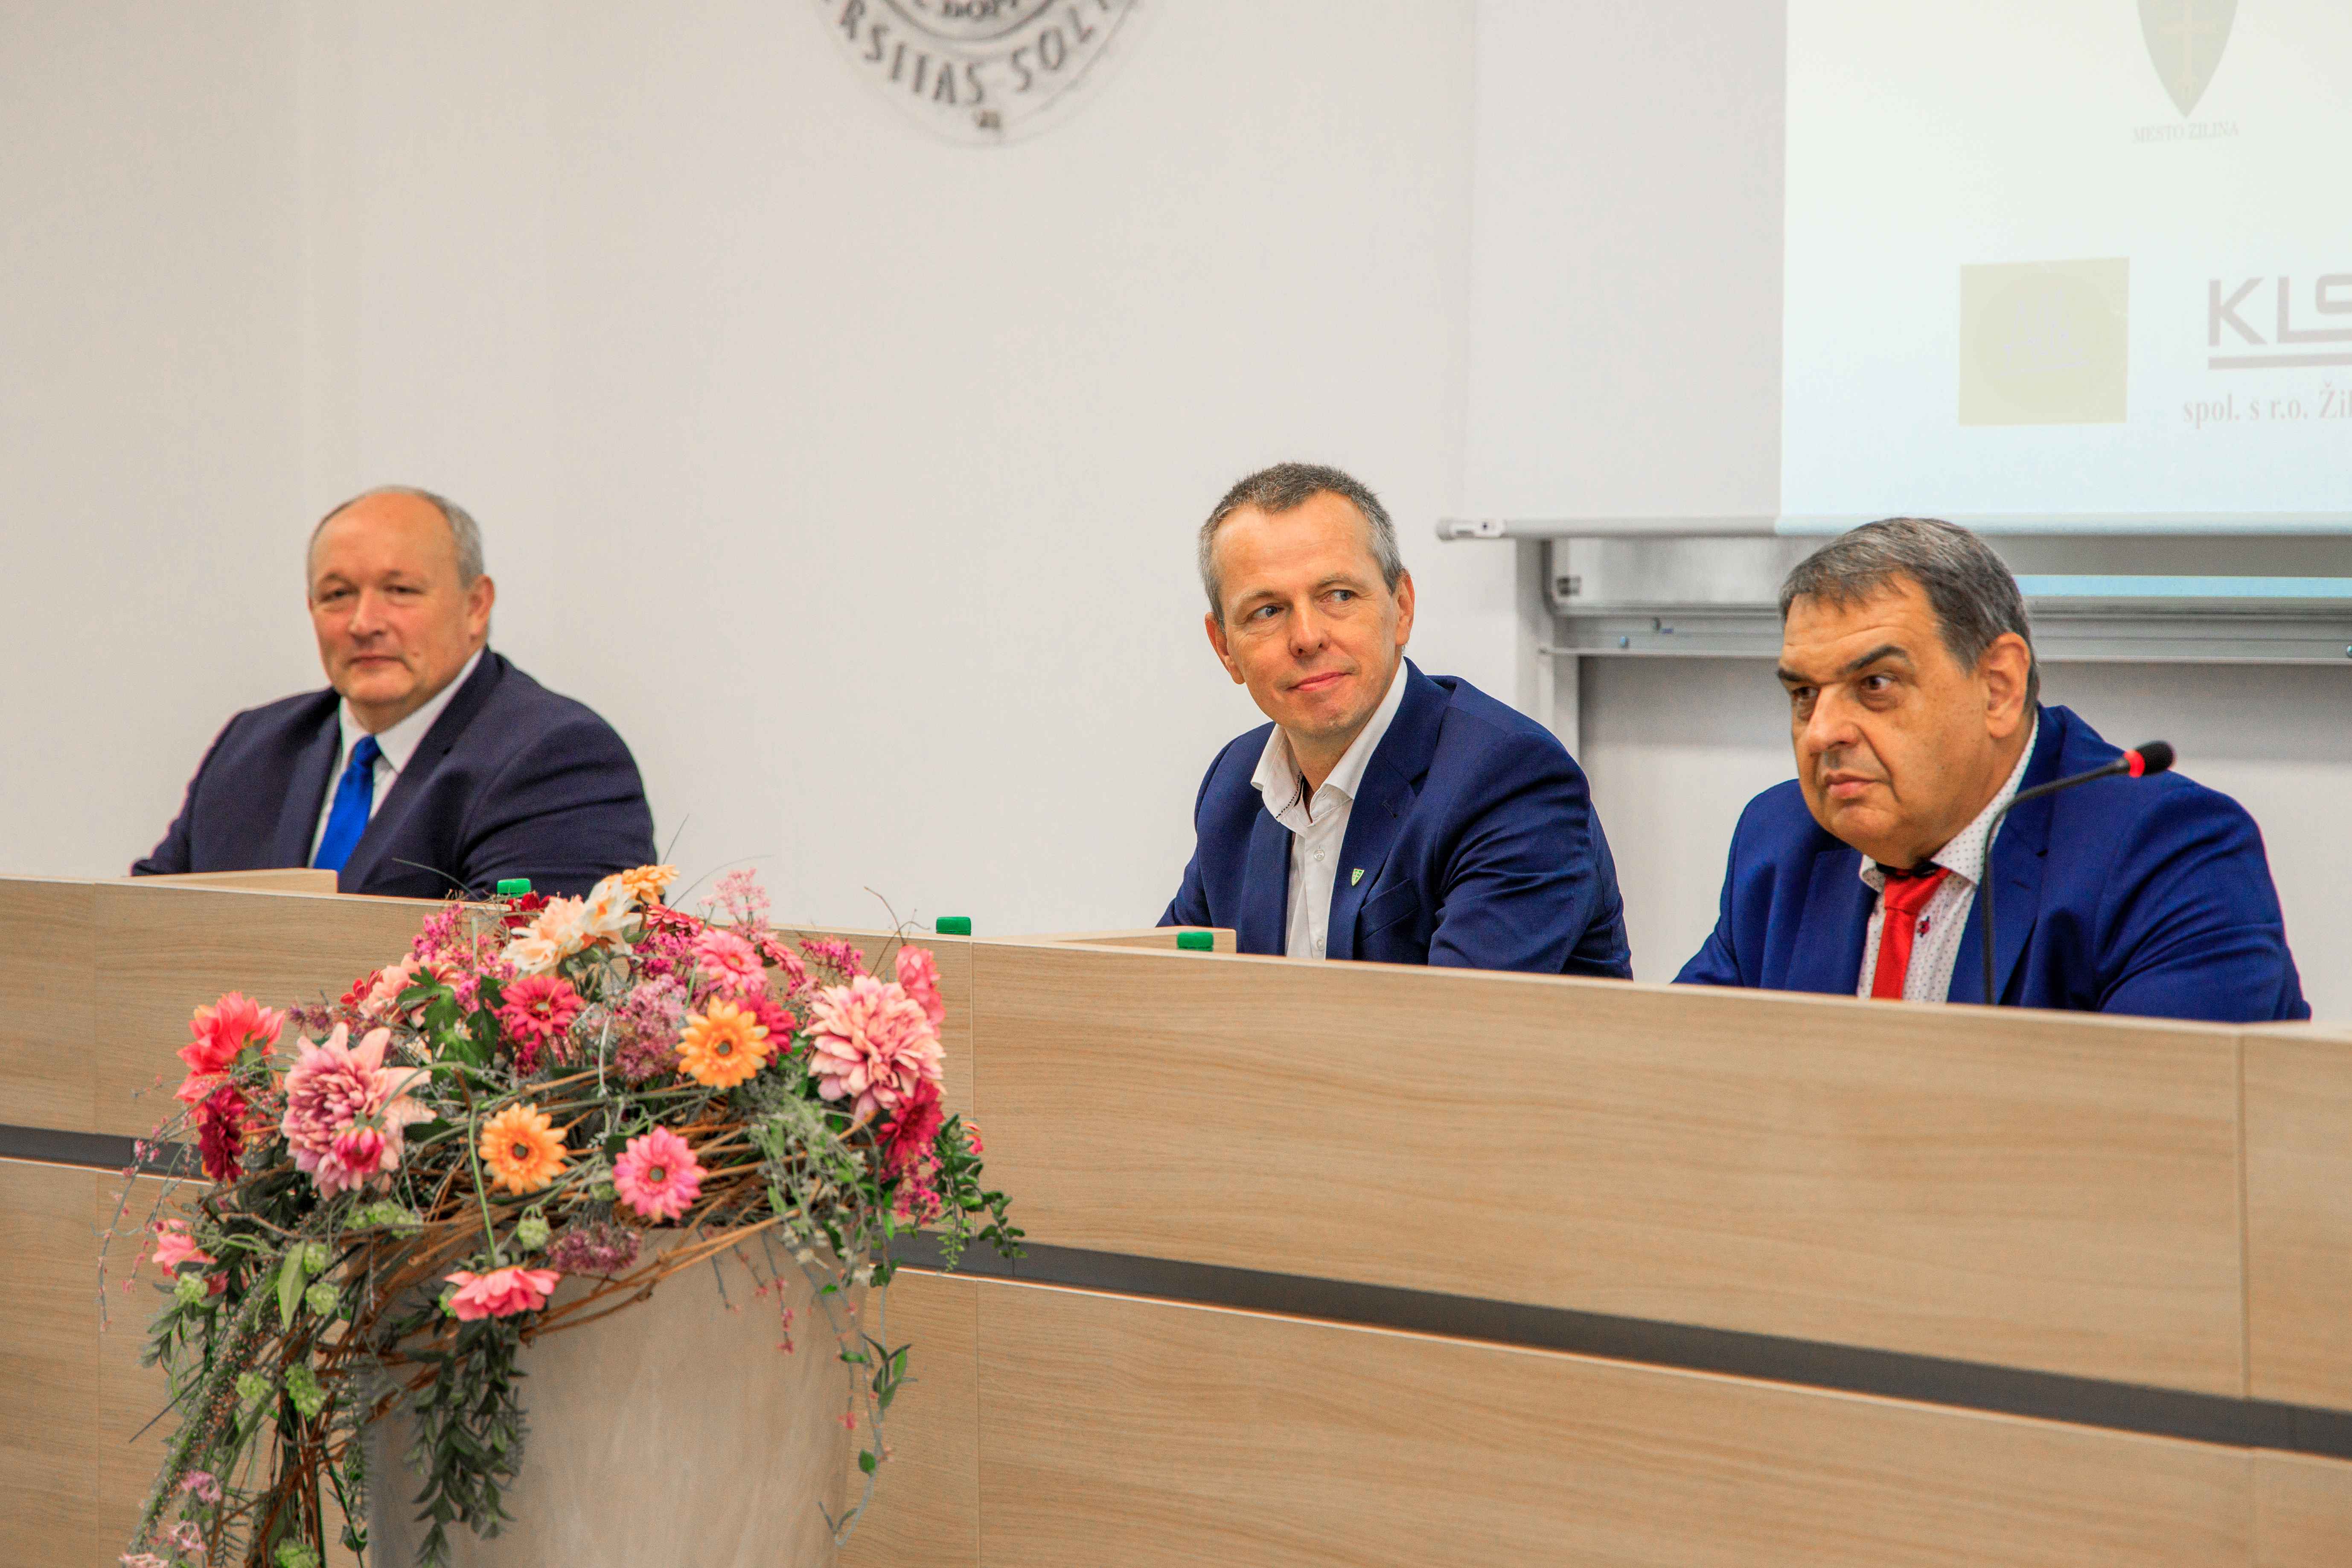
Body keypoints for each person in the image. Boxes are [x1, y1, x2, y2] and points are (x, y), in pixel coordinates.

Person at [1677, 517, 2306, 1020]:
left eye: (1875, 684)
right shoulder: (1780, 841)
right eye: (1804, 694)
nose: (1821, 733)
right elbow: (1676, 1078)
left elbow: (2165, 1120)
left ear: (1998, 688)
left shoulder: (2166, 851)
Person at [1161, 462, 1631, 975]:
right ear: (1225, 648)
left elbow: (1455, 1019)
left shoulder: (1507, 779)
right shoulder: (1235, 786)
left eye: (1338, 596)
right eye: (1267, 611)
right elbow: (1161, 994)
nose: (1307, 637)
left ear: (1401, 608)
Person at [135, 486, 657, 898]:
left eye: (400, 591)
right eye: (337, 595)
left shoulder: (557, 760)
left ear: (476, 605)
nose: (364, 623)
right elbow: (140, 930)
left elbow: (521, 981)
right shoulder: (251, 749)